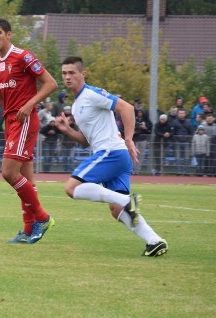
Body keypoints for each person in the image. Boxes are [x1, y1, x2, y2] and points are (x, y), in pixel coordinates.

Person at [53, 56, 168, 257]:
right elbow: (86, 140)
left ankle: (127, 201)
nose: (68, 77)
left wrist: (129, 139)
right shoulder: (77, 105)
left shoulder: (91, 94)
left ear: (83, 73)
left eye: (72, 72)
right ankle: (155, 241)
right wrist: (67, 130)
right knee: (117, 209)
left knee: (71, 188)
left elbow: (127, 108)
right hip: (113, 155)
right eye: (64, 73)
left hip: (111, 152)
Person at [0, 18, 58, 244]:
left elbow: (51, 83)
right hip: (9, 122)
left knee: (9, 173)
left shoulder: (24, 56)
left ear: (9, 35)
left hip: (24, 121)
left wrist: (30, 104)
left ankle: (42, 217)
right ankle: (28, 229)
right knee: (25, 179)